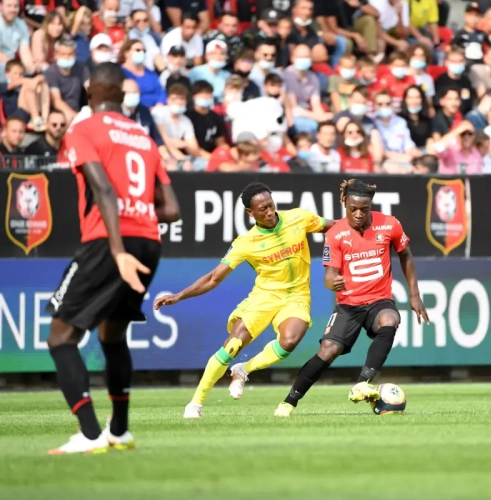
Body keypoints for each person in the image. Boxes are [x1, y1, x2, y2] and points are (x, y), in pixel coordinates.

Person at [46, 62, 180, 455]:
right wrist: (137, 208)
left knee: (60, 337)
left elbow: (102, 188)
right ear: (122, 95)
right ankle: (119, 431)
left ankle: (89, 435)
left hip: (111, 241)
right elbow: (171, 208)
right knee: (112, 336)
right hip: (149, 241)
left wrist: (118, 250)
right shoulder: (144, 137)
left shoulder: (84, 129)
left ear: (90, 92)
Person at [153, 183, 335, 417]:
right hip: (264, 297)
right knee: (232, 345)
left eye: (270, 205)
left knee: (289, 342)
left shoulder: (299, 217)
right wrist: (179, 296)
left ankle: (243, 369)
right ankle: (195, 403)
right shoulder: (246, 242)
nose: (269, 212)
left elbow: (335, 228)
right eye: (262, 209)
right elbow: (213, 278)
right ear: (250, 213)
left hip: (297, 296)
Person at [274, 179, 429, 416]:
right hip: (348, 305)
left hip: (379, 300)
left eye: (364, 210)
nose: (358, 214)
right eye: (352, 209)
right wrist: (330, 282)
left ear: (371, 206)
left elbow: (405, 255)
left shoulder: (389, 225)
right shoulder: (336, 234)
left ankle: (363, 383)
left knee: (390, 319)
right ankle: (289, 402)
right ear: (344, 203)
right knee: (328, 350)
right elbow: (329, 274)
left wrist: (414, 294)